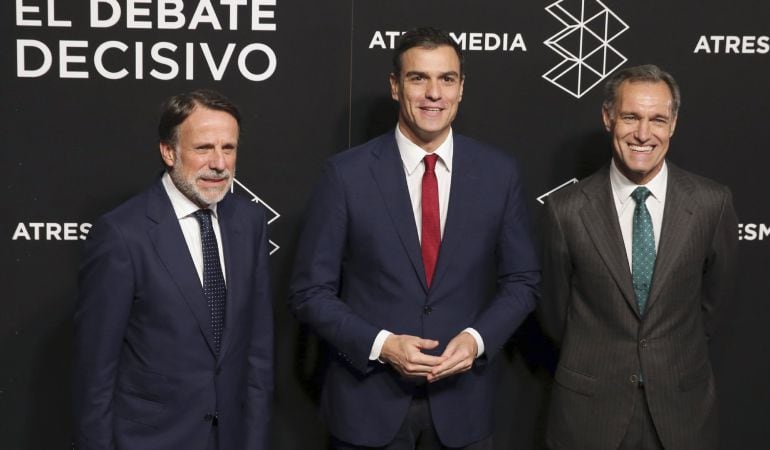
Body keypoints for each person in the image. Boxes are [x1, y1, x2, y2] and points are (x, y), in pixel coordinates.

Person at [289, 27, 540, 449]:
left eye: (446, 79)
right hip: (367, 407)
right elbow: (309, 293)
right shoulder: (346, 175)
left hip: (465, 408)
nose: (433, 94)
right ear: (394, 86)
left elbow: (523, 281)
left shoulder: (499, 174)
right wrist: (382, 345)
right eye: (418, 78)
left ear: (461, 88)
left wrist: (477, 341)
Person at [540, 64, 738, 450]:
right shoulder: (563, 211)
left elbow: (715, 305)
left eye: (657, 120)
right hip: (589, 414)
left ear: (673, 124)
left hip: (682, 411)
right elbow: (554, 312)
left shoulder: (713, 203)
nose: (643, 134)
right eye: (631, 117)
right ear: (607, 117)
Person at [73, 89, 273, 450]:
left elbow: (257, 354)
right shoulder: (123, 234)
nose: (219, 163)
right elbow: (95, 375)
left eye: (228, 148)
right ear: (169, 151)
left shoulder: (250, 222)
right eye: (203, 148)